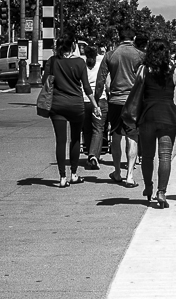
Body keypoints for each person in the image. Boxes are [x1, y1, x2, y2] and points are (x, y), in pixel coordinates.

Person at [134, 39, 176, 209]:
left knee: (147, 156)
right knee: (165, 156)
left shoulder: (143, 70)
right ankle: (161, 192)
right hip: (167, 116)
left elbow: (136, 93)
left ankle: (148, 186)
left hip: (148, 115)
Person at [42, 34, 99, 188]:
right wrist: (95, 105)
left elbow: (44, 81)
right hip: (76, 105)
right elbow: (86, 86)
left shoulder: (52, 61)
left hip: (57, 105)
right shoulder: (80, 62)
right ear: (72, 46)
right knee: (75, 139)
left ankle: (62, 177)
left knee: (60, 141)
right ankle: (74, 174)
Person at [96, 28, 147, 188]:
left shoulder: (110, 55)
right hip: (133, 102)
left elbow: (101, 80)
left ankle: (117, 171)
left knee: (116, 136)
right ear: (134, 37)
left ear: (119, 37)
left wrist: (97, 100)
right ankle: (130, 175)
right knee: (132, 136)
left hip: (115, 101)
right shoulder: (140, 55)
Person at [81, 44, 107, 169]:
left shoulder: (81, 65)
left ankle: (89, 153)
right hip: (99, 99)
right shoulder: (101, 63)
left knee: (86, 129)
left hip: (84, 100)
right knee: (98, 129)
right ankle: (94, 155)